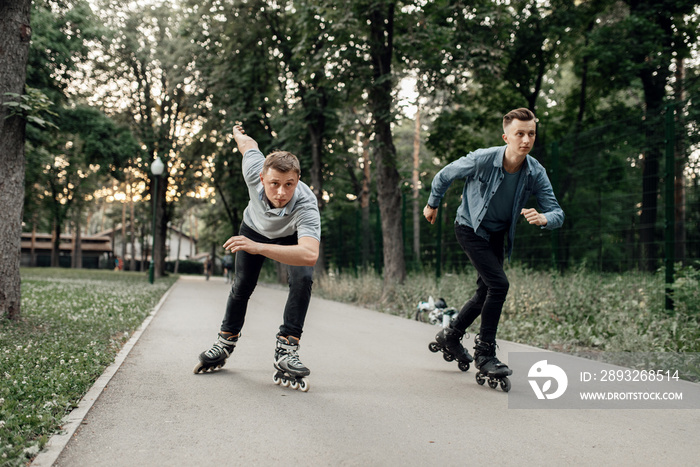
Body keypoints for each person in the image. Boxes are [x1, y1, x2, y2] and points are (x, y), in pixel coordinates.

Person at [424, 108, 564, 387]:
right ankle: (485, 352)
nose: (526, 140)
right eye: (519, 134)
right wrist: (433, 204)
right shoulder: (483, 159)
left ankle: (451, 335)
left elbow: (557, 211)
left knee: (486, 290)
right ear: (506, 137)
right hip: (470, 227)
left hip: (497, 233)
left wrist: (545, 218)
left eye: (531, 134)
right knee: (498, 285)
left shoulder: (535, 171)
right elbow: (444, 175)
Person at [194, 124, 321, 391]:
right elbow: (248, 145)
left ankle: (287, 348)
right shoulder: (253, 169)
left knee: (303, 280)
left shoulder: (306, 204)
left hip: (290, 235)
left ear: (298, 180)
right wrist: (237, 132)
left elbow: (309, 254)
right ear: (262, 178)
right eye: (274, 184)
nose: (281, 193)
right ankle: (225, 340)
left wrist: (258, 247)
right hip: (253, 227)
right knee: (242, 285)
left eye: (290, 185)